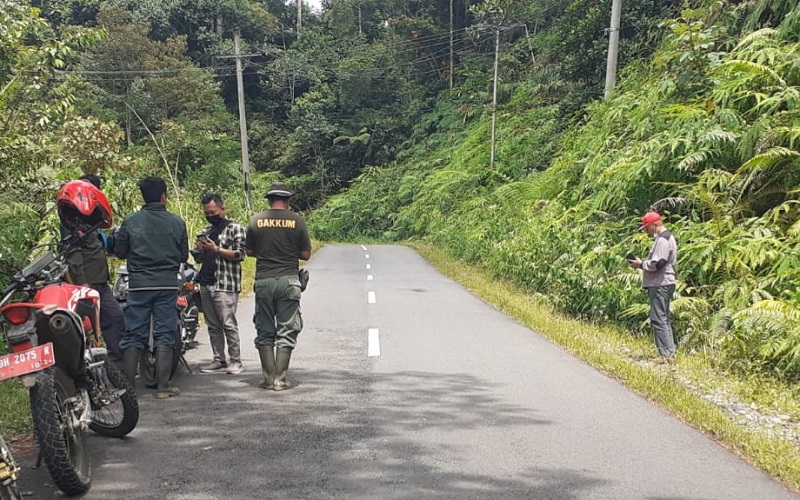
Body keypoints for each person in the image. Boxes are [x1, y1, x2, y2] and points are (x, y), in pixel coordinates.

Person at [115, 177, 189, 398]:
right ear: (163, 196)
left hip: (138, 286)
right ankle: (163, 387)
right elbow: (183, 255)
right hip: (166, 285)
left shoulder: (130, 222)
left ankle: (128, 390)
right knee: (165, 333)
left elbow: (120, 252)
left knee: (134, 334)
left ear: (143, 197)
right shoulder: (177, 222)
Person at [246, 182, 311, 391]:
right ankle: (280, 380)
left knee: (264, 330)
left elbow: (249, 252)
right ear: (288, 200)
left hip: (264, 280)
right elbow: (305, 255)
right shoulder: (297, 221)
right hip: (288, 280)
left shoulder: (256, 221)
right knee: (287, 329)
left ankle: (267, 378)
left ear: (269, 199)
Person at [57, 176, 124, 362]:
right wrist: (82, 283)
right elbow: (73, 254)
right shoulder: (71, 218)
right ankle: (93, 366)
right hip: (87, 282)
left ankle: (117, 362)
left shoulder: (89, 217)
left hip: (100, 281)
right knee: (88, 327)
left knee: (115, 317)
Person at [194, 193, 247, 375]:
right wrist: (199, 250)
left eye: (213, 212)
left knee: (228, 324)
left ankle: (236, 360)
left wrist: (216, 249)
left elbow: (240, 255)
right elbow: (200, 258)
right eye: (207, 213)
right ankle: (218, 359)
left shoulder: (235, 229)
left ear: (222, 209)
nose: (210, 216)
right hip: (206, 282)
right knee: (212, 324)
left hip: (225, 283)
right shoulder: (206, 231)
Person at [628, 211, 678, 363]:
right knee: (663, 318)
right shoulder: (667, 238)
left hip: (660, 283)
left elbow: (659, 263)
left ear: (654, 224)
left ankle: (666, 355)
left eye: (647, 228)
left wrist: (640, 264)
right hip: (664, 282)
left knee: (658, 319)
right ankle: (669, 352)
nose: (647, 232)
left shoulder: (663, 239)